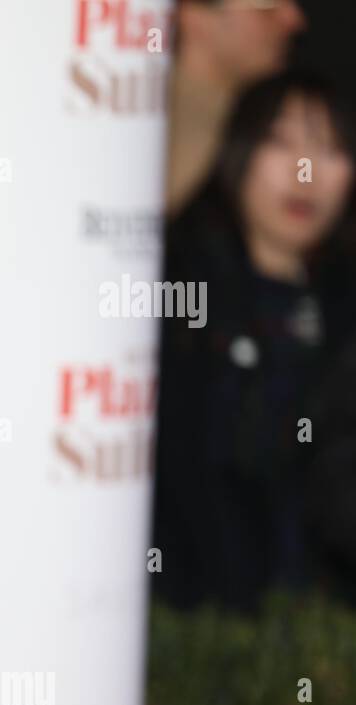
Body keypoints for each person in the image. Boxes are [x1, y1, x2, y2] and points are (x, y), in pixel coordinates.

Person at [153, 70, 356, 612]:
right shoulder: (173, 302)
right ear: (237, 150)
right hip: (196, 645)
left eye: (332, 148)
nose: (304, 172)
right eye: (282, 142)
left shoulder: (340, 315)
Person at [166, 0, 307, 216]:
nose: (294, 20)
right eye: (266, 7)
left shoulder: (263, 115)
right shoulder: (152, 127)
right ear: (193, 14)